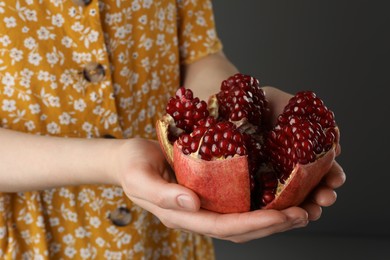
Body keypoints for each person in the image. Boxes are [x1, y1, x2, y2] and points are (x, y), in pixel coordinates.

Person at [0, 0, 346, 259]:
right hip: (32, 241)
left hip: (167, 229)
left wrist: (238, 113)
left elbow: (200, 54)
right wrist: (112, 161)